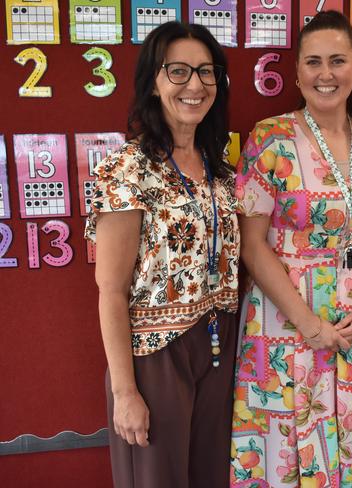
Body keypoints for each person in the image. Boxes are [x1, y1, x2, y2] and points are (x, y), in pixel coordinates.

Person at [230, 10, 352, 487]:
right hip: (287, 321)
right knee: (291, 445)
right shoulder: (269, 140)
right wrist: (310, 325)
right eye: (313, 62)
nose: (325, 74)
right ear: (296, 72)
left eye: (338, 61)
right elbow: (252, 246)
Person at [84, 22, 239, 487]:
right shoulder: (126, 168)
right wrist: (124, 390)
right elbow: (109, 289)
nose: (195, 85)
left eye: (206, 72)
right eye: (178, 71)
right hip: (154, 354)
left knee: (211, 475)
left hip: (219, 342)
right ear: (153, 81)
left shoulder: (222, 171)